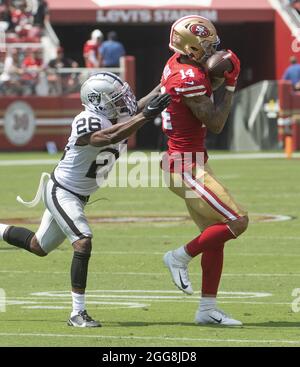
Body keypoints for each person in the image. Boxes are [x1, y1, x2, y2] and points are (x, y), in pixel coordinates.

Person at [0, 71, 171, 327]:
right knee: (82, 242)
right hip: (63, 191)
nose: (124, 101)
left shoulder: (116, 114)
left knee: (38, 246)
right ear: (98, 101)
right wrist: (146, 116)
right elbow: (108, 136)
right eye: (116, 97)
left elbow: (140, 104)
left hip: (77, 195)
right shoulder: (87, 119)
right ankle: (77, 314)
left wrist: (168, 81)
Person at [160, 15, 249, 326]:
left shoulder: (178, 61)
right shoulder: (186, 77)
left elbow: (202, 83)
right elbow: (216, 122)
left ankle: (207, 309)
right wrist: (232, 83)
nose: (213, 49)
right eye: (207, 46)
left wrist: (217, 76)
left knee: (215, 235)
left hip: (190, 161)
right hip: (184, 166)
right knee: (238, 221)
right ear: (192, 49)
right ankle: (179, 256)